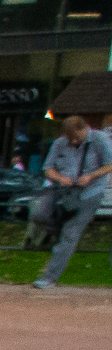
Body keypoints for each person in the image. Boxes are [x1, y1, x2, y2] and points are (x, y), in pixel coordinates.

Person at [31, 110, 111, 289]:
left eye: (76, 137)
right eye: (69, 139)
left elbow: (110, 164)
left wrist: (92, 176)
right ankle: (54, 239)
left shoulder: (99, 140)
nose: (73, 142)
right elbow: (48, 168)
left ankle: (49, 277)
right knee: (37, 213)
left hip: (89, 193)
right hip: (63, 192)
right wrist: (60, 178)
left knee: (70, 233)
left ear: (85, 128)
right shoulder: (61, 143)